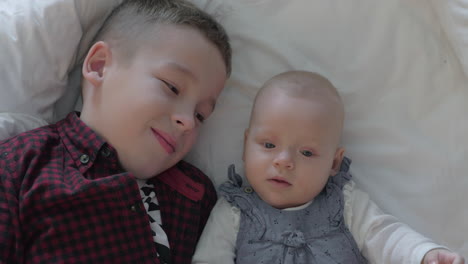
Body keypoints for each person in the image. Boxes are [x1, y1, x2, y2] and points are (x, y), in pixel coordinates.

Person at [0, 0, 231, 263]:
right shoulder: (20, 167)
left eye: (200, 115)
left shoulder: (197, 194)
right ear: (99, 66)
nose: (188, 121)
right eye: (172, 87)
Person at [191, 71, 465, 264]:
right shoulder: (235, 210)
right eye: (268, 145)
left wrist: (423, 254)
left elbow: (383, 235)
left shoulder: (343, 202)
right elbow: (209, 259)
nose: (283, 160)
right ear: (245, 146)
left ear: (333, 163)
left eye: (307, 152)